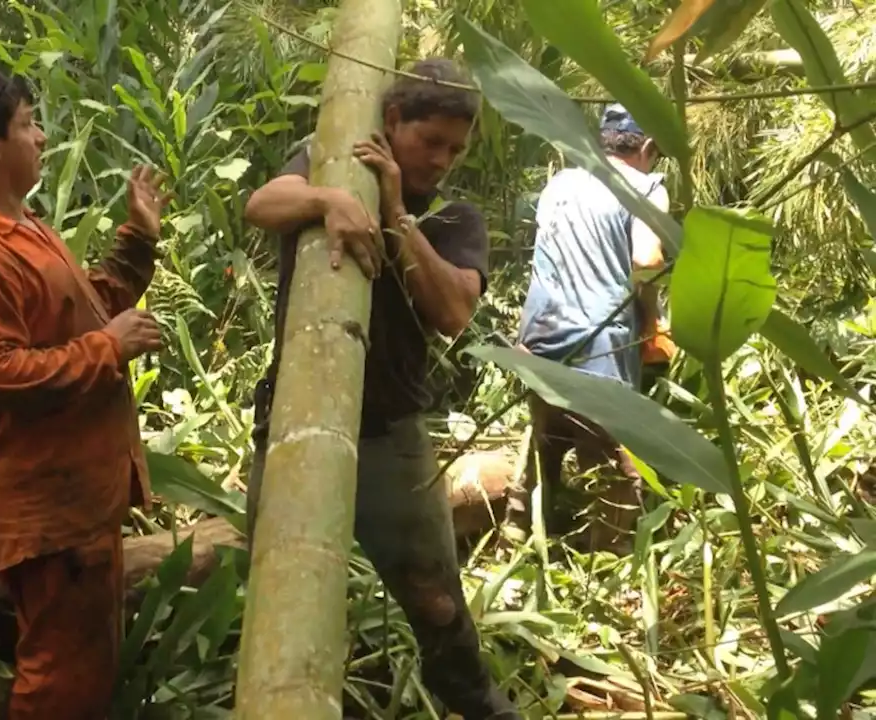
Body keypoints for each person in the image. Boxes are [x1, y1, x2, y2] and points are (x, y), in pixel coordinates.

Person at [243, 58, 521, 720]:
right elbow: (261, 204)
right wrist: (331, 198)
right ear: (393, 119)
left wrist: (393, 209)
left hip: (389, 437)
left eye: (455, 148)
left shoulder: (454, 216)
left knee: (435, 598)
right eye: (431, 141)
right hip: (292, 421)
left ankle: (475, 699)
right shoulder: (328, 161)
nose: (443, 159)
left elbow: (453, 311)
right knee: (282, 588)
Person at [0, 65, 170, 719]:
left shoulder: (19, 229)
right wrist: (108, 348)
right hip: (47, 513)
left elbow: (83, 313)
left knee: (80, 669)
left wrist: (137, 240)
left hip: (75, 501)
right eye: (28, 124)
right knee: (62, 683)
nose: (42, 136)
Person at [507, 103, 671, 552]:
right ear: (649, 147)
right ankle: (610, 566)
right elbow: (646, 260)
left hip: (539, 338)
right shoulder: (645, 187)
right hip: (599, 344)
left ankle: (515, 537)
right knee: (614, 466)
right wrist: (653, 320)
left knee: (545, 444)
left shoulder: (560, 184)